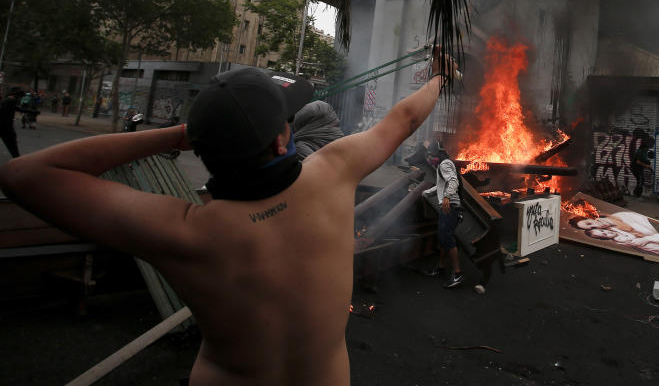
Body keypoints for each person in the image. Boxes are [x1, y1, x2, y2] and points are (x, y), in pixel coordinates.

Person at [0, 48, 456, 385]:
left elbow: (26, 174)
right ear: (281, 142)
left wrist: (179, 134)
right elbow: (404, 118)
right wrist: (438, 76)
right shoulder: (334, 173)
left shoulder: (182, 231)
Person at [423, 146, 464, 288]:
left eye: (430, 155)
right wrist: (425, 192)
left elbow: (453, 181)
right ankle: (441, 267)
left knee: (447, 238)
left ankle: (458, 274)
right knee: (442, 238)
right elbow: (440, 186)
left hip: (450, 207)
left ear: (437, 155)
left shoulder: (444, 164)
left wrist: (446, 197)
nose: (429, 159)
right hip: (447, 207)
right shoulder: (442, 166)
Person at [1, 87, 22, 158]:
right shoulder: (11, 100)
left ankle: (16, 156)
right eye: (20, 96)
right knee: (11, 142)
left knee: (11, 141)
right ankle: (16, 157)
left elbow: (17, 109)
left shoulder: (8, 100)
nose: (20, 98)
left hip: (5, 126)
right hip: (5, 126)